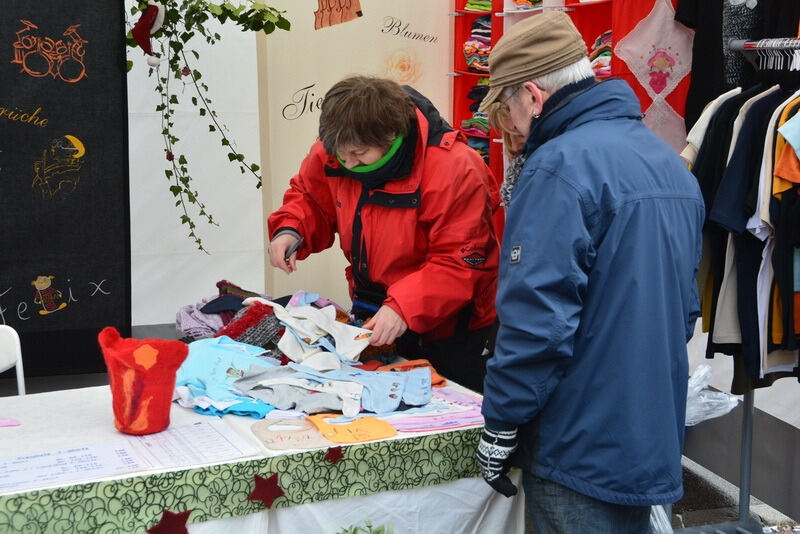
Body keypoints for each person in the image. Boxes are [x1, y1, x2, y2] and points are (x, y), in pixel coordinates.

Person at [474, 11, 704, 533]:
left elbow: (536, 319)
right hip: (647, 431)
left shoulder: (558, 166)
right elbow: (685, 309)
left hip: (576, 441)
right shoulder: (667, 162)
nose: (510, 126)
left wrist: (502, 420)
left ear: (532, 95)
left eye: (507, 109)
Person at [267, 75, 500, 392]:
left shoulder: (454, 167)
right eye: (341, 154)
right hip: (374, 309)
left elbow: (460, 261)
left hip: (450, 329)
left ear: (392, 137)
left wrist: (404, 306)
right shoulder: (338, 149)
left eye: (359, 154)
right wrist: (291, 229)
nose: (348, 163)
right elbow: (309, 198)